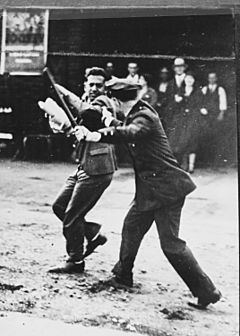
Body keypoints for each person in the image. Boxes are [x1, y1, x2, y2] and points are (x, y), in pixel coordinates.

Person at [73, 80, 222, 309]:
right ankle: (123, 276)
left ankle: (207, 291)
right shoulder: (138, 111)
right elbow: (124, 125)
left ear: (116, 100)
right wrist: (105, 120)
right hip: (151, 189)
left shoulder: (144, 118)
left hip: (167, 190)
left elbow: (131, 131)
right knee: (131, 227)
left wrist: (97, 135)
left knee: (171, 244)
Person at [39, 67, 118, 274]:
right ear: (85, 85)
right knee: (59, 206)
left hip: (98, 168)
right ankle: (92, 233)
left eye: (98, 85)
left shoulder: (104, 103)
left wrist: (63, 94)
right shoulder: (87, 100)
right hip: (85, 164)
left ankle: (75, 261)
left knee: (72, 216)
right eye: (90, 84)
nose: (94, 89)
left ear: (105, 88)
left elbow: (87, 113)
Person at [167, 72, 205, 173]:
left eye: (191, 79)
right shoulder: (180, 91)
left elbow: (200, 104)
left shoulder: (198, 91)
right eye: (187, 79)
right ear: (184, 80)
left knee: (192, 141)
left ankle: (191, 166)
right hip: (182, 119)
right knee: (181, 140)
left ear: (194, 80)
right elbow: (175, 106)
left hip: (193, 118)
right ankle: (183, 165)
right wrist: (177, 101)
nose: (189, 81)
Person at [201, 72, 227, 164]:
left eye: (213, 78)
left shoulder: (220, 89)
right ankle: (206, 160)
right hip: (206, 116)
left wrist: (221, 113)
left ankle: (216, 161)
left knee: (216, 137)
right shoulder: (204, 89)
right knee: (206, 136)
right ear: (208, 79)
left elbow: (223, 102)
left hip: (216, 115)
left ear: (216, 79)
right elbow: (201, 101)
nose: (211, 80)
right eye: (210, 78)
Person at [164, 58, 187, 136]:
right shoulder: (170, 83)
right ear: (174, 68)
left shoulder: (190, 80)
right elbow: (167, 98)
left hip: (185, 112)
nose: (179, 68)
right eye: (177, 66)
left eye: (181, 66)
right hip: (173, 113)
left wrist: (183, 98)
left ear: (184, 68)